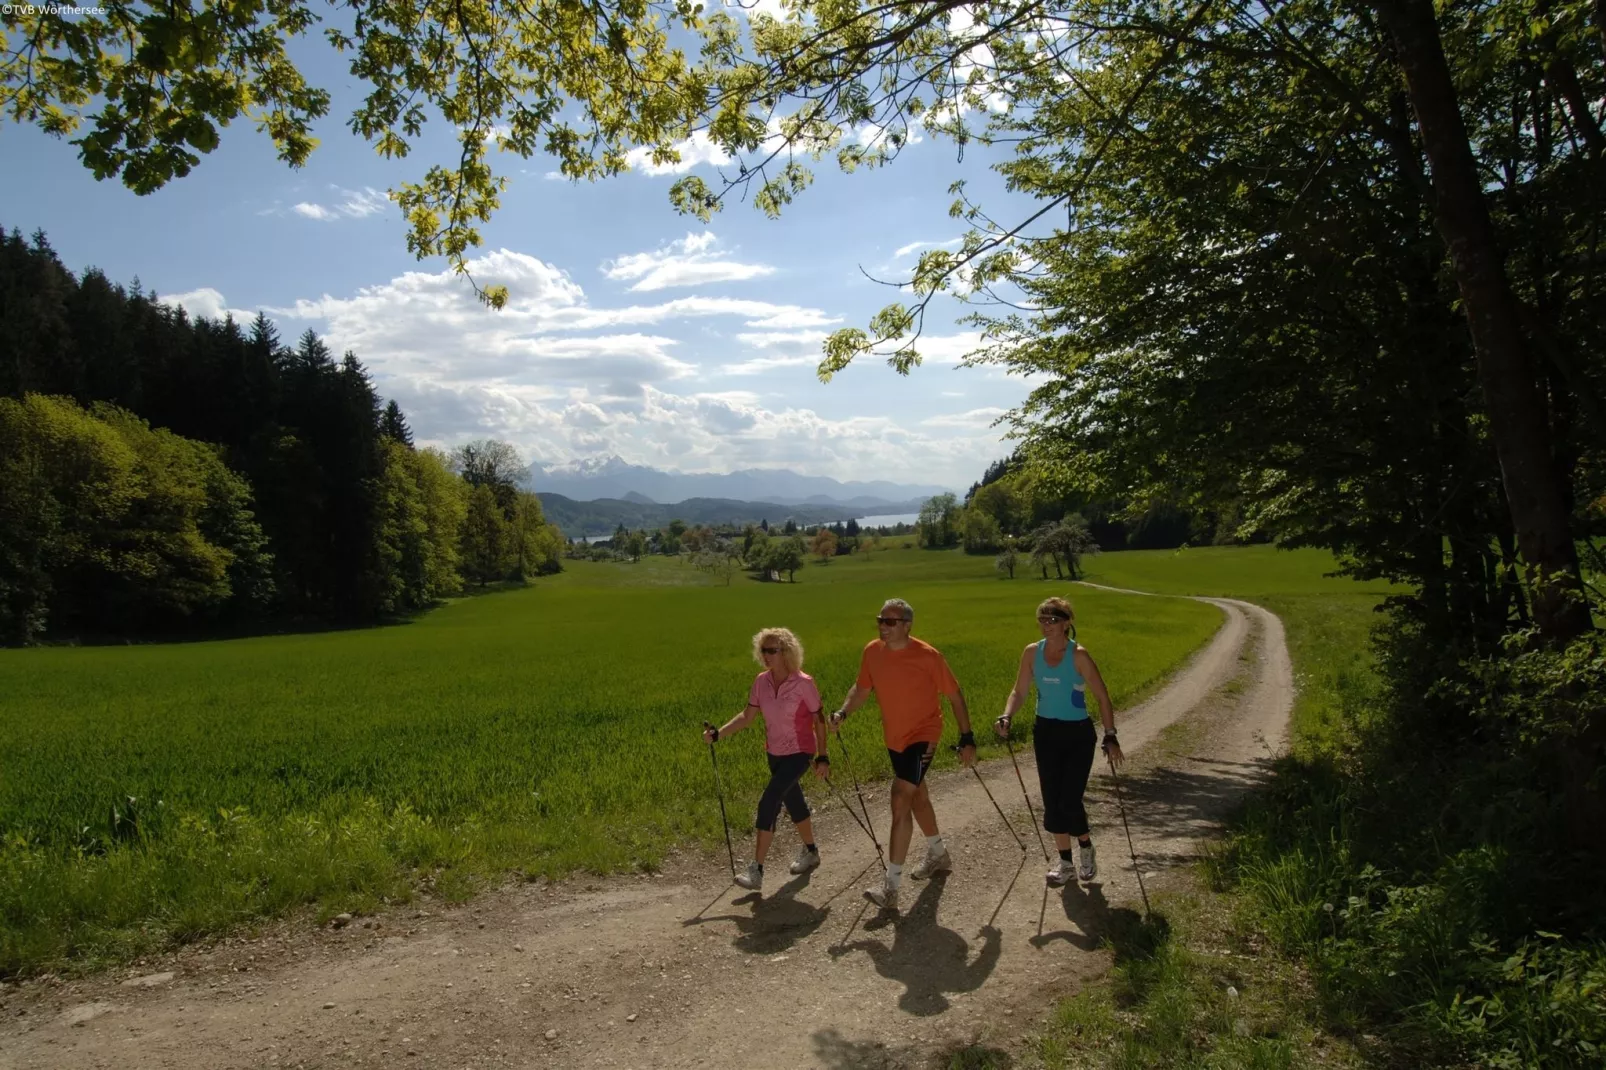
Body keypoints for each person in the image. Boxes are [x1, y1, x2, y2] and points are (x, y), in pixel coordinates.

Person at [829, 598, 976, 912]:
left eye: (890, 621)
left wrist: (967, 737)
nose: (883, 625)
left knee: (900, 797)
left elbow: (954, 695)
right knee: (918, 796)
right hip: (894, 738)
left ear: (907, 625)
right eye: (880, 620)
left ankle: (890, 887)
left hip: (924, 734)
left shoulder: (928, 656)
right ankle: (938, 853)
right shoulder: (872, 652)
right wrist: (843, 712)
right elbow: (861, 689)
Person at [994, 597, 1123, 887]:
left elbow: (1102, 696)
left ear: (1066, 623)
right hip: (1046, 732)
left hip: (1077, 734)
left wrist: (1110, 734)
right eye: (1042, 619)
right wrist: (1007, 715)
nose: (1046, 625)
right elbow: (1020, 690)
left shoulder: (1078, 655)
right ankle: (1065, 863)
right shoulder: (1031, 653)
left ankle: (1086, 847)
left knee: (1069, 799)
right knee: (1052, 801)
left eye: (1052, 620)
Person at [703, 627, 830, 892]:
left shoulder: (803, 683)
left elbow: (819, 720)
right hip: (774, 754)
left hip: (799, 752)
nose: (766, 655)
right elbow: (747, 717)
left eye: (772, 650)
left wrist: (823, 757)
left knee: (769, 800)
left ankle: (756, 870)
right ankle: (811, 851)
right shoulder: (761, 681)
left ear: (786, 653)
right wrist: (718, 734)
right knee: (794, 801)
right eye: (763, 650)